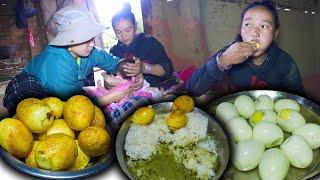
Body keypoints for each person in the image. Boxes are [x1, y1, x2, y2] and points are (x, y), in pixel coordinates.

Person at [3, 5, 142, 116]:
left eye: (92, 38)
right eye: (85, 39)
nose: (92, 44)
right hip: (29, 89)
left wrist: (133, 71)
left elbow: (114, 63)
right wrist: (110, 97)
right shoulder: (57, 65)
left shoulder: (90, 52)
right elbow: (71, 108)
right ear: (68, 40)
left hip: (66, 88)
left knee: (86, 81)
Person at [185, 1, 304, 97]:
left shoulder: (285, 62)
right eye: (248, 25)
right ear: (240, 29)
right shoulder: (229, 53)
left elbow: (297, 100)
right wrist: (223, 61)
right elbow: (191, 89)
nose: (255, 33)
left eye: (263, 26)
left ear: (275, 34)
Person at [110, 3, 175, 89]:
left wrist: (144, 68)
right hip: (128, 93)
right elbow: (111, 80)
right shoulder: (115, 52)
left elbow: (168, 71)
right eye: (118, 32)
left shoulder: (150, 43)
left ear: (135, 27)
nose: (124, 36)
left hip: (155, 88)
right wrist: (108, 82)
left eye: (128, 30)